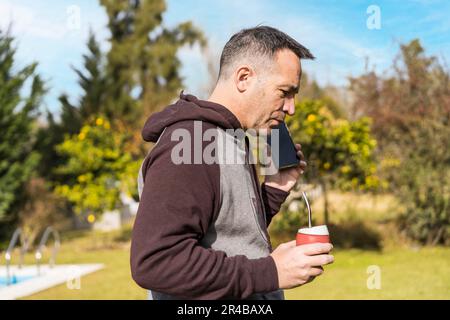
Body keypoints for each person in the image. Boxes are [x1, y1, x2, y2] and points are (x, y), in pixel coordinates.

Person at [130, 25, 334, 300]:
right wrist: (271, 272)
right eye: (285, 92)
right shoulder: (192, 141)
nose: (291, 108)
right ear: (244, 78)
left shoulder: (232, 139)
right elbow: (156, 261)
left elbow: (230, 233)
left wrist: (275, 189)